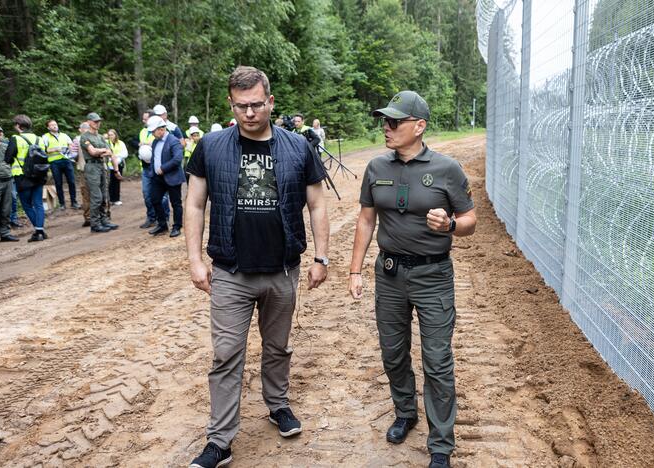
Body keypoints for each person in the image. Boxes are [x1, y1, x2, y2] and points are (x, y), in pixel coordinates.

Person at [185, 66, 329, 468]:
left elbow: (317, 204)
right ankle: (220, 441)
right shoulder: (211, 147)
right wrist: (196, 259)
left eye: (256, 105)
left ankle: (277, 405)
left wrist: (321, 257)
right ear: (231, 104)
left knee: (278, 347)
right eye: (240, 106)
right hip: (231, 271)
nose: (249, 113)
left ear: (270, 102)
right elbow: (195, 204)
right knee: (227, 354)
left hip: (283, 270)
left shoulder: (298, 147)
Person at [347, 91, 477, 468]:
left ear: (419, 127)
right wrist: (355, 271)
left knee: (437, 360)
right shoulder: (376, 167)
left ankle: (440, 445)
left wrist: (450, 225)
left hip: (433, 275)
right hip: (389, 275)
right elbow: (366, 220)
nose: (386, 128)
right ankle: (405, 413)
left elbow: (470, 221)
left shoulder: (447, 169)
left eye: (394, 122)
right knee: (393, 353)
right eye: (384, 121)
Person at [4, 114, 50, 242]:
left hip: (22, 176)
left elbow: (7, 158)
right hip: (38, 175)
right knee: (39, 204)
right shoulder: (39, 139)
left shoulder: (15, 139)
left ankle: (39, 231)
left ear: (18, 126)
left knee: (27, 205)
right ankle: (40, 230)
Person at [145, 115, 184, 237]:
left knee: (175, 203)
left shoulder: (173, 141)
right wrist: (152, 171)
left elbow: (177, 159)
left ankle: (177, 226)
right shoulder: (156, 142)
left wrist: (163, 168)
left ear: (161, 129)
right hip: (158, 178)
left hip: (172, 176)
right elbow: (154, 158)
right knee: (154, 199)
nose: (152, 134)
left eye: (153, 131)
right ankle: (162, 225)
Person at [81, 112, 120, 233]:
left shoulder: (100, 137)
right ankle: (95, 223)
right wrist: (102, 151)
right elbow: (92, 152)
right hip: (91, 167)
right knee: (96, 197)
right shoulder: (85, 137)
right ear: (89, 122)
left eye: (98, 121)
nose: (97, 124)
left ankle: (104, 220)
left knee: (104, 195)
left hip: (101, 166)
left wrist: (101, 151)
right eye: (95, 121)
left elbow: (110, 152)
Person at [137, 109, 170, 229]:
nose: (144, 121)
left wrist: (146, 144)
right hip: (146, 167)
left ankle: (164, 217)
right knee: (147, 194)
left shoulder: (160, 131)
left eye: (146, 119)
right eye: (144, 119)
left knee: (162, 196)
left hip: (158, 167)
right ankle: (151, 217)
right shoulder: (142, 131)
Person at [42, 120, 80, 210]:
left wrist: (70, 148)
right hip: (54, 162)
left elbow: (71, 145)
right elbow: (43, 149)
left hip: (67, 161)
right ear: (48, 127)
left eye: (55, 124)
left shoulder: (64, 135)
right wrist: (55, 149)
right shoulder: (45, 137)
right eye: (52, 125)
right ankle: (62, 204)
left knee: (71, 181)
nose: (55, 126)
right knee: (58, 183)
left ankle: (74, 202)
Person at [0, 125, 19, 243]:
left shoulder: (5, 147)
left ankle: (5, 233)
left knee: (6, 209)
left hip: (8, 180)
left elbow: (12, 159)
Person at [72, 122, 93, 227]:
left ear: (80, 129)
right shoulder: (95, 137)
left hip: (83, 168)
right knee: (97, 192)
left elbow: (73, 155)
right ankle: (101, 215)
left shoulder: (77, 140)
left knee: (85, 194)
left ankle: (88, 217)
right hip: (95, 168)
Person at [107, 129, 128, 205]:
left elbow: (125, 154)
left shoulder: (121, 143)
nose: (110, 136)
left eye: (112, 135)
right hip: (109, 166)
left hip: (119, 165)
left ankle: (116, 199)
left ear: (115, 135)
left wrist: (116, 156)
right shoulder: (106, 143)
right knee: (110, 183)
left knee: (116, 182)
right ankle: (110, 199)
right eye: (109, 135)